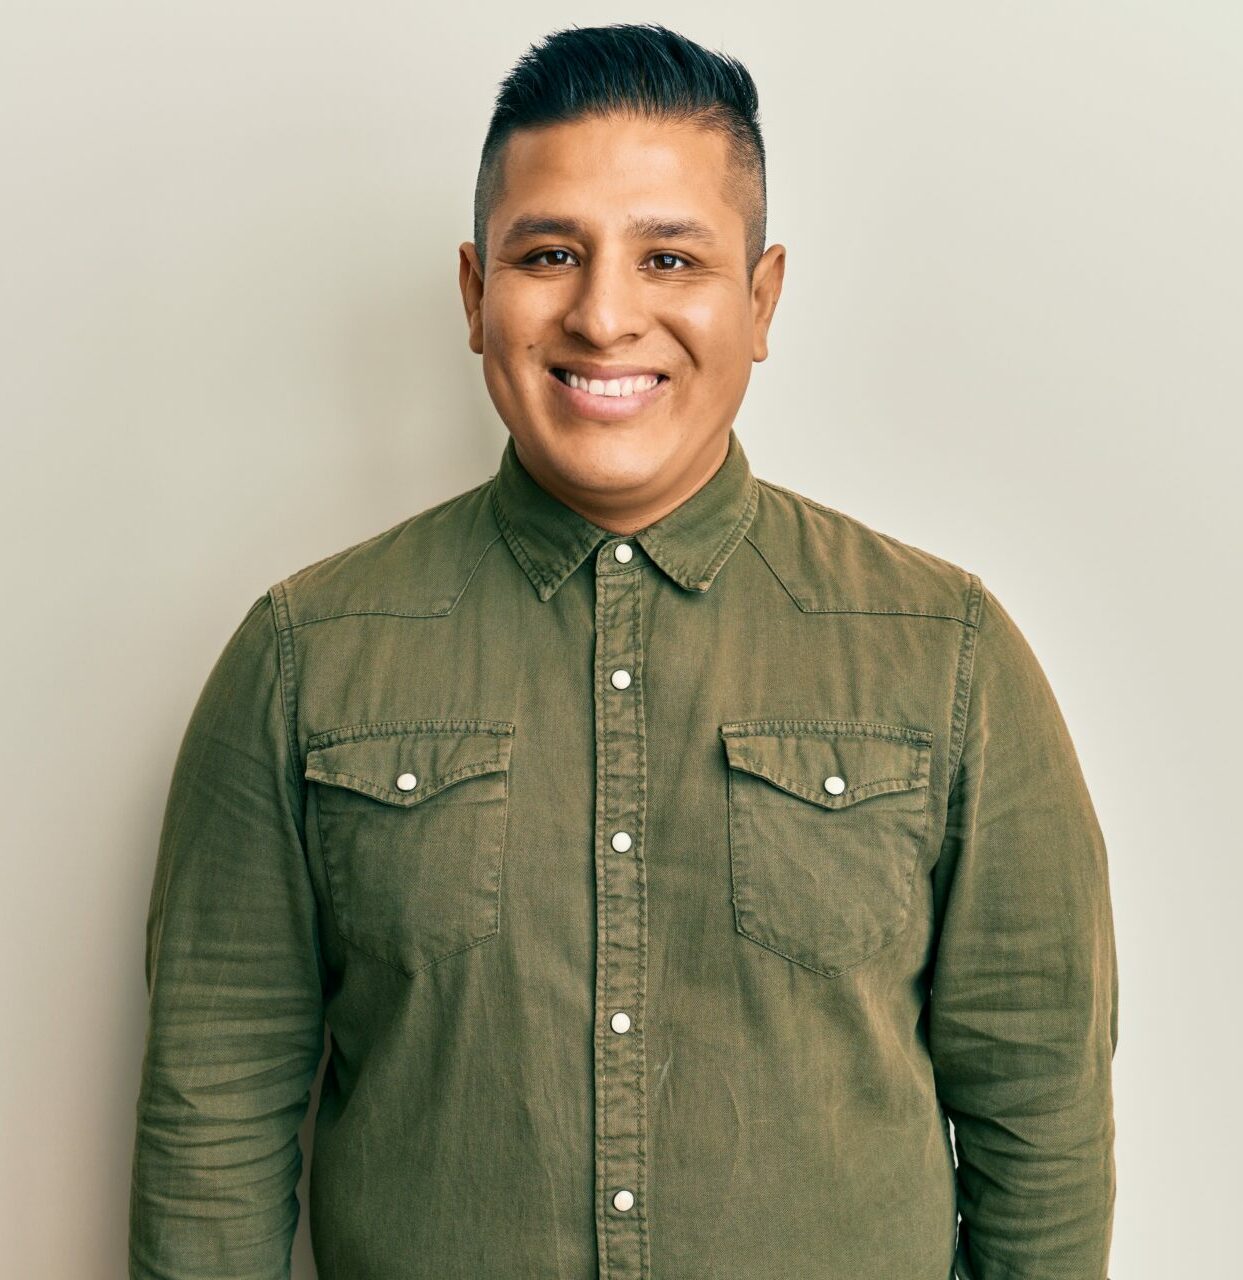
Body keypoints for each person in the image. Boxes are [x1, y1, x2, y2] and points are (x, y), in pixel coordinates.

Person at [128, 22, 1118, 1280]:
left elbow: (1041, 1115)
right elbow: (210, 1132)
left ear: (758, 300)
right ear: (476, 294)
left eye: (669, 256)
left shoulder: (946, 653)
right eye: (549, 254)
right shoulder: (301, 657)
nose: (605, 315)